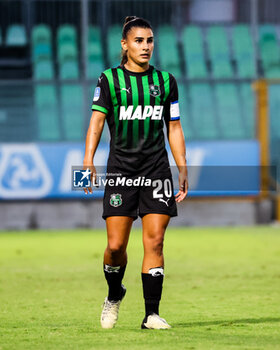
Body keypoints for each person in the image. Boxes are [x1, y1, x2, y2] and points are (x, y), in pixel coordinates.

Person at [83, 16, 188, 329]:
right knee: (116, 248)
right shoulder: (109, 80)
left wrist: (182, 166)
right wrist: (88, 161)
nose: (146, 47)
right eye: (139, 41)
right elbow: (97, 123)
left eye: (150, 41)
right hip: (121, 171)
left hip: (156, 170)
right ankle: (115, 293)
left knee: (155, 241)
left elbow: (174, 126)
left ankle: (151, 314)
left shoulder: (166, 82)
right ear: (124, 45)